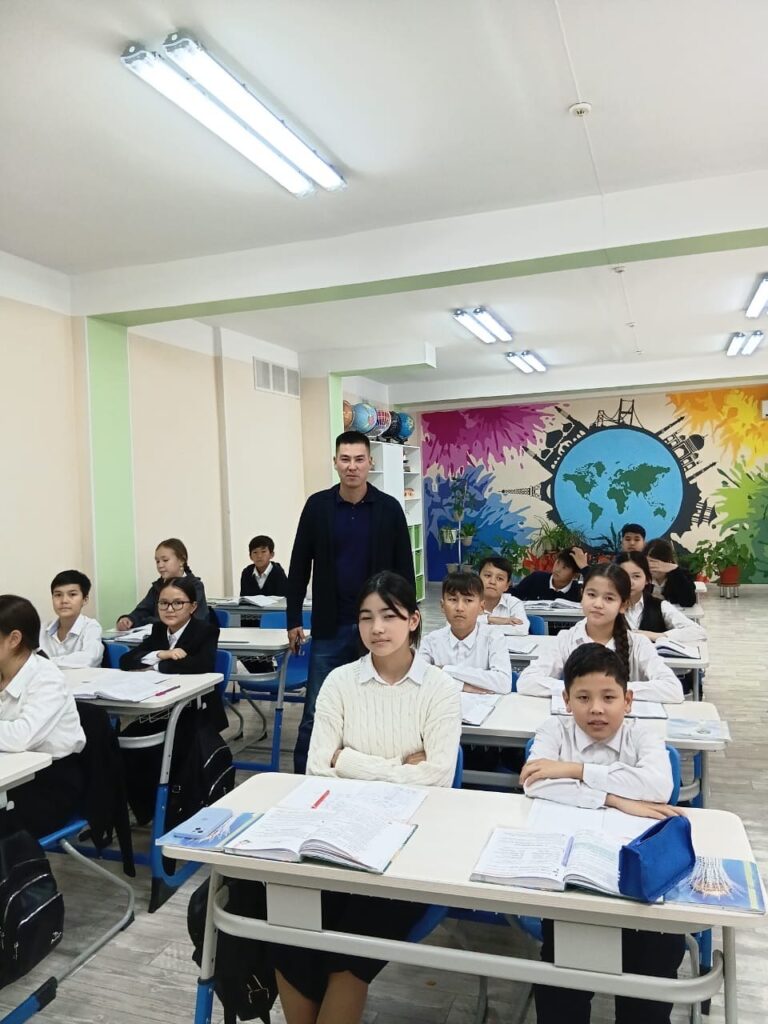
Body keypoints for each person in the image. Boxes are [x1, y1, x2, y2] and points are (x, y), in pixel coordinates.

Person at [271, 572, 461, 1023]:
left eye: (389, 616)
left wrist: (351, 761)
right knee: (286, 923)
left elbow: (437, 778)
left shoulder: (440, 689)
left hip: (408, 849)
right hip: (336, 833)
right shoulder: (339, 682)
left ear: (413, 620)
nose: (377, 628)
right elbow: (317, 768)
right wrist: (399, 767)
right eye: (366, 617)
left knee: (348, 947)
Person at [522, 643, 686, 1024]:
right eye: (583, 698)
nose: (596, 708)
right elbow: (534, 782)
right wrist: (616, 799)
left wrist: (575, 771)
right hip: (572, 880)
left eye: (608, 697)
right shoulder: (553, 730)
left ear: (627, 701)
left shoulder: (643, 735)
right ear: (566, 701)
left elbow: (658, 787)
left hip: (639, 885)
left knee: (656, 955)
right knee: (561, 983)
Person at [287, 431, 415, 773]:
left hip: (377, 628)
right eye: (345, 459)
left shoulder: (389, 509)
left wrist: (407, 624)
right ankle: (304, 778)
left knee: (378, 707)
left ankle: (371, 773)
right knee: (316, 710)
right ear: (335, 463)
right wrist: (293, 618)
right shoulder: (317, 507)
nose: (352, 466)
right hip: (330, 626)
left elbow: (404, 570)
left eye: (359, 459)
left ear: (370, 462)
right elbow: (299, 565)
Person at [516, 563, 684, 703]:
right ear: (582, 595)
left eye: (609, 598)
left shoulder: (638, 644)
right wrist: (579, 690)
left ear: (623, 605)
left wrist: (613, 690)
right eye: (591, 594)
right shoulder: (566, 639)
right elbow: (527, 681)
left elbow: (673, 689)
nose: (598, 604)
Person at [0, 595, 86, 837]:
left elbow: (22, 737)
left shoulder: (46, 677)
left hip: (48, 784)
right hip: (8, 774)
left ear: (14, 639)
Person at [419, 572, 512, 694]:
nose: (459, 608)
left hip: (484, 705)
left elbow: (503, 683)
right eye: (453, 600)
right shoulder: (430, 641)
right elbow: (419, 679)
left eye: (468, 600)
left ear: (481, 607)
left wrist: (445, 669)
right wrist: (462, 686)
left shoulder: (494, 638)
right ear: (442, 606)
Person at [119, 577, 219, 675]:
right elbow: (125, 660)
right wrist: (161, 654)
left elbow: (202, 665)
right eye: (164, 603)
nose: (169, 609)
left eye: (178, 603)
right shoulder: (159, 628)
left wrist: (155, 666)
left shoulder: (206, 631)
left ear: (193, 607)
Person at [116, 538, 208, 630]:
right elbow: (143, 611)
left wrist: (148, 621)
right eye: (157, 561)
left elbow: (190, 619)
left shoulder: (195, 586)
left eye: (165, 560)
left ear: (181, 560)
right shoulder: (157, 587)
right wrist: (129, 619)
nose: (160, 565)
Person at [615, 553, 706, 644]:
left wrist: (657, 636)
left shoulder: (659, 606)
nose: (630, 582)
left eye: (636, 576)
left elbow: (698, 632)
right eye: (623, 576)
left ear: (648, 580)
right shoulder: (608, 606)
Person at [39, 569, 103, 668]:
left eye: (72, 594)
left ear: (85, 600)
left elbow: (89, 659)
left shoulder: (91, 627)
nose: (64, 600)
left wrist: (45, 662)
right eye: (58, 595)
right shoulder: (42, 629)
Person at [477, 556, 530, 634]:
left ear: (507, 586)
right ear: (478, 579)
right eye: (488, 576)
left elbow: (522, 629)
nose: (492, 582)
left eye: (499, 578)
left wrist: (482, 625)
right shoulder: (466, 601)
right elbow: (460, 626)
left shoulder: (513, 603)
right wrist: (491, 619)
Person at [510, 549, 586, 603]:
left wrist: (584, 567)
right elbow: (513, 596)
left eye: (564, 568)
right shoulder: (536, 578)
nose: (557, 569)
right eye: (558, 563)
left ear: (575, 575)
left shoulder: (579, 592)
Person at [644, 539, 697, 608]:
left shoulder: (681, 574)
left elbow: (688, 602)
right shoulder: (640, 575)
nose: (650, 565)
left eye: (653, 561)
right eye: (646, 561)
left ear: (668, 561)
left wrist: (676, 571)